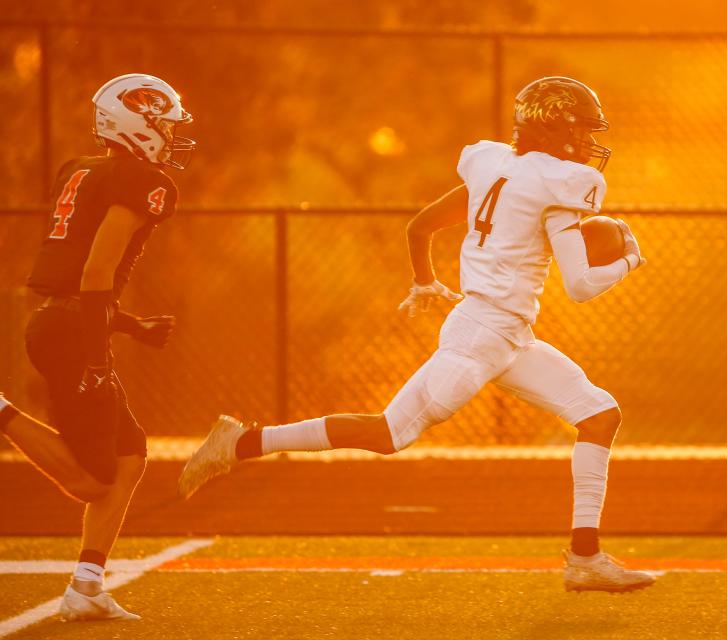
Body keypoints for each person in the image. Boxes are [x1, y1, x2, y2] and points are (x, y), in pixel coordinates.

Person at [179, 76, 652, 592]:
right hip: (480, 336)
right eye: (581, 130)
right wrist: (628, 259)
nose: (587, 143)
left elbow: (420, 226)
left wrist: (425, 280)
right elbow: (581, 285)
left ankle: (585, 559)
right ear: (554, 128)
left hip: (508, 334)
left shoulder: (493, 162)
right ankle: (242, 441)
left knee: (599, 414)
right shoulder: (560, 182)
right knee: (387, 434)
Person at [0, 73, 194, 621]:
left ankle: (86, 585)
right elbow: (95, 270)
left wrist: (128, 326)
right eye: (165, 122)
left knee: (130, 456)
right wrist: (95, 356)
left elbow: (71, 274)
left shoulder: (79, 169)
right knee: (93, 480)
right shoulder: (144, 181)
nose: (172, 134)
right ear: (141, 123)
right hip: (70, 333)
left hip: (58, 322)